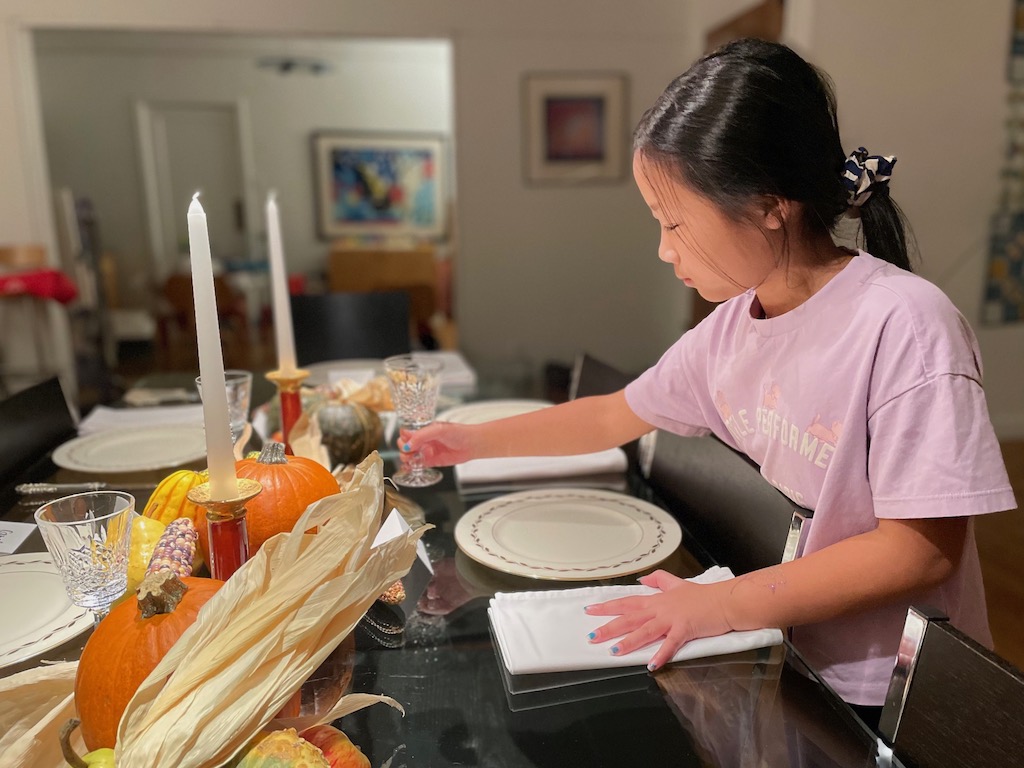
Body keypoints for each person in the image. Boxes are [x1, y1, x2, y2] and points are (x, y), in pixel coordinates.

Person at [403, 38, 1017, 722]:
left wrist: (721, 605)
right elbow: (613, 415)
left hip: (895, 699)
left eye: (674, 223)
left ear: (768, 204)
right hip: (793, 656)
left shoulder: (907, 324)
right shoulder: (735, 325)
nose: (664, 250)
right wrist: (467, 442)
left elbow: (919, 552)